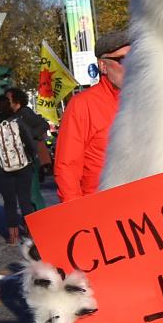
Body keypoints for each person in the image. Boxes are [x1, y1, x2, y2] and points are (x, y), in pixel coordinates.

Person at [54, 29, 127, 202]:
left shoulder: (148, 98)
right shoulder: (82, 105)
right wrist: (78, 217)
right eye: (122, 60)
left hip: (146, 207)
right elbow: (67, 168)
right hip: (103, 210)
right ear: (103, 66)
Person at [0, 95, 39, 245]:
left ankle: (13, 236)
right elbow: (29, 139)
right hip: (23, 165)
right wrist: (33, 157)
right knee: (25, 200)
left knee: (9, 202)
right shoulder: (17, 120)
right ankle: (31, 233)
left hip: (1, 169)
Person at [4, 87, 50, 210]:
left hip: (30, 158)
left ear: (17, 101)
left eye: (8, 99)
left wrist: (28, 135)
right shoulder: (14, 115)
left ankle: (42, 219)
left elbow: (43, 125)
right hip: (24, 159)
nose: (6, 102)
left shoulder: (25, 112)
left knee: (32, 193)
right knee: (27, 194)